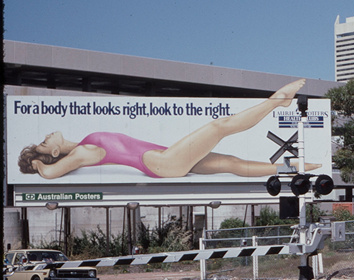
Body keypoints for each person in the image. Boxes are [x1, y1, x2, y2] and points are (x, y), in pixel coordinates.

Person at [18, 79, 319, 179]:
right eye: (44, 144)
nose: (45, 137)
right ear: (55, 152)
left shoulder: (85, 142)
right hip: (163, 164)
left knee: (230, 163)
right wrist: (37, 164)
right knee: (219, 126)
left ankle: (293, 167)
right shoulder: (82, 152)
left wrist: (38, 156)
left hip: (165, 158)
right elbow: (51, 172)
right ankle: (277, 101)